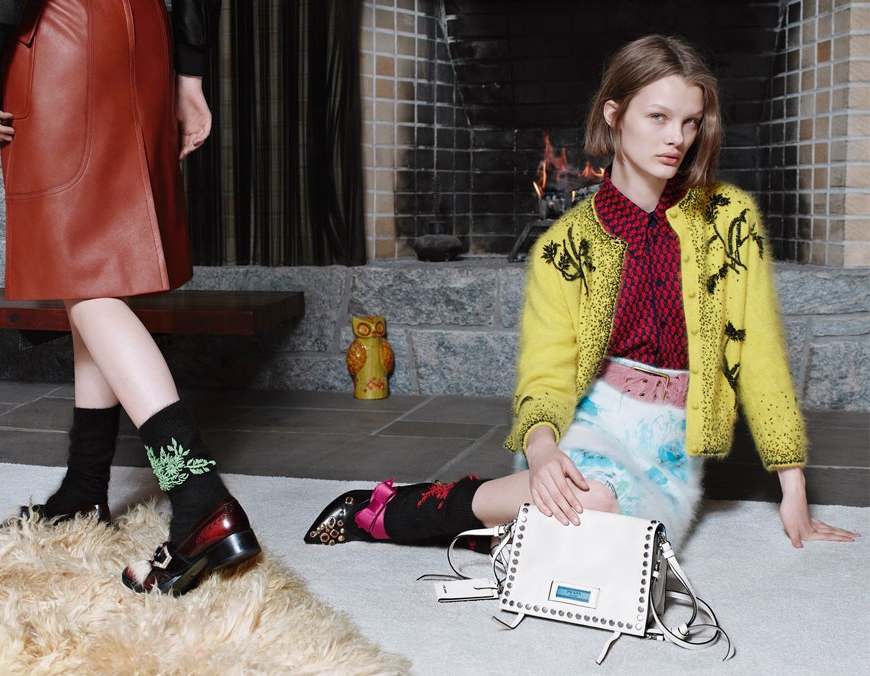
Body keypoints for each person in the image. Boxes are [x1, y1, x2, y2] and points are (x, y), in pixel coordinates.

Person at [305, 34, 859, 551]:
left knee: (625, 554)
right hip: (593, 422)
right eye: (658, 116)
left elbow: (759, 353)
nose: (676, 137)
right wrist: (543, 448)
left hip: (672, 444)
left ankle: (493, 530)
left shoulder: (729, 219)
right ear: (614, 114)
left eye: (690, 122)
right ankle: (404, 510)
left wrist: (793, 487)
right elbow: (546, 371)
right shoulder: (564, 246)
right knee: (589, 504)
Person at [0, 0, 260, 595]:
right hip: (145, 38)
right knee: (89, 274)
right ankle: (85, 487)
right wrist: (189, 75)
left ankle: (198, 494)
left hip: (66, 36)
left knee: (77, 270)